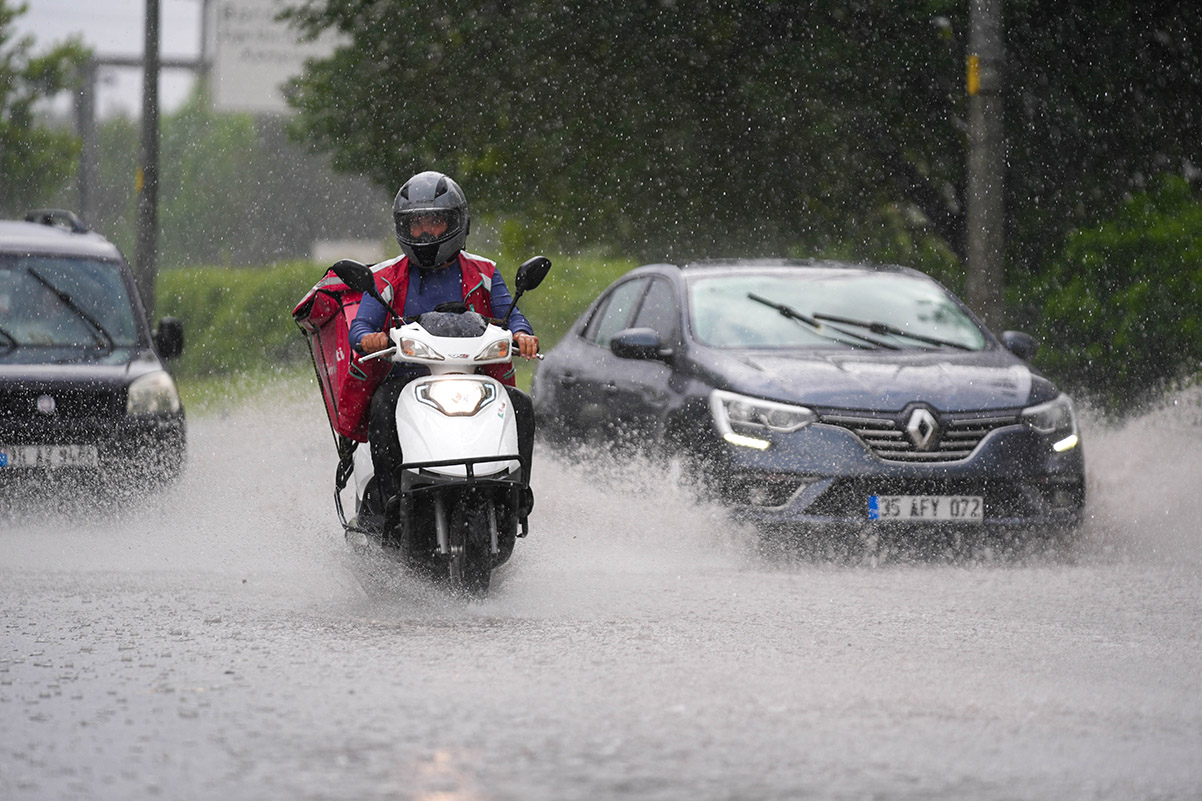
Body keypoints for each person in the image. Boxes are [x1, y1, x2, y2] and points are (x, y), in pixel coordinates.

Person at [347, 170, 539, 526]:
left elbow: (512, 315)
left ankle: (516, 497)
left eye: (434, 222)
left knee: (521, 406)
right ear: (403, 228)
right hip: (407, 378)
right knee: (382, 404)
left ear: (456, 223)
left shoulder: (484, 270)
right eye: (416, 223)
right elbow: (360, 326)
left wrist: (522, 335)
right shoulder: (387, 276)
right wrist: (367, 337)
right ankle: (392, 500)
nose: (425, 232)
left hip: (473, 375)